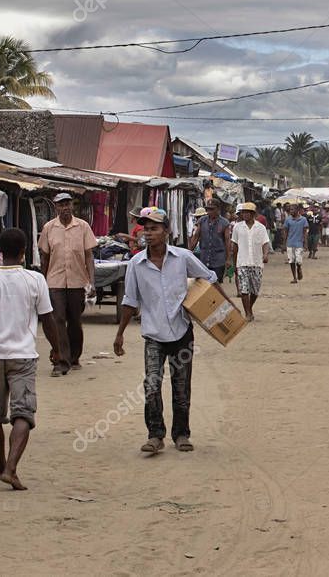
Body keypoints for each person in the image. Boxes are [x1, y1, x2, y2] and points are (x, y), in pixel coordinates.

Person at [114, 208, 217, 454]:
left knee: (181, 388)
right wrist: (119, 334)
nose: (148, 234)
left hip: (182, 332)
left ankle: (181, 434)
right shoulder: (136, 264)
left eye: (154, 229)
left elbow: (209, 277)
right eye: (145, 229)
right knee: (151, 385)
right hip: (153, 334)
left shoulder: (183, 258)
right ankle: (155, 435)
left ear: (167, 232)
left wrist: (195, 301)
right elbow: (130, 301)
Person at [0, 228, 60, 492]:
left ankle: (1, 467)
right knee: (23, 414)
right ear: (23, 252)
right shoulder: (35, 280)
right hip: (24, 356)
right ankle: (11, 468)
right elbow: (48, 318)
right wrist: (57, 350)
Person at [38, 192, 96, 377]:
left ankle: (74, 357)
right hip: (55, 280)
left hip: (78, 281)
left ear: (72, 206)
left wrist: (92, 282)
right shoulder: (48, 228)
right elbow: (45, 257)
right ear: (56, 207)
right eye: (61, 205)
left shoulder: (83, 227)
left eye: (67, 204)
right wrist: (42, 281)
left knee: (75, 321)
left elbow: (89, 255)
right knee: (58, 320)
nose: (64, 208)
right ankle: (61, 360)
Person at [230, 202, 270, 321]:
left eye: (247, 212)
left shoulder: (261, 228)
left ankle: (249, 308)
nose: (245, 215)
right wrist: (234, 262)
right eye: (243, 212)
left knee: (255, 290)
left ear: (253, 214)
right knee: (244, 289)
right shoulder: (237, 227)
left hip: (257, 262)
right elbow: (234, 245)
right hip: (242, 262)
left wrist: (265, 254)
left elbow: (265, 243)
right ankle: (248, 313)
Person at [189, 198, 231, 283]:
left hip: (219, 260)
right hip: (204, 258)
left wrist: (228, 259)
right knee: (204, 283)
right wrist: (189, 252)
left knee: (217, 284)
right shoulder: (202, 221)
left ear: (218, 209)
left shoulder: (224, 223)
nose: (209, 211)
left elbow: (227, 241)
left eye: (212, 209)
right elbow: (196, 237)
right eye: (208, 209)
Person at [282, 204, 309, 284]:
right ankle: (294, 277)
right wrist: (284, 244)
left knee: (298, 261)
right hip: (290, 243)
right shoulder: (288, 220)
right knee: (291, 261)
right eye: (290, 210)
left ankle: (299, 269)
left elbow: (305, 232)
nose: (291, 211)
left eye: (292, 209)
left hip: (299, 243)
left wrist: (305, 243)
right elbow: (285, 232)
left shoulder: (303, 219)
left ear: (297, 210)